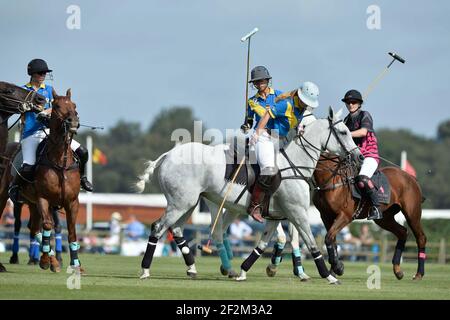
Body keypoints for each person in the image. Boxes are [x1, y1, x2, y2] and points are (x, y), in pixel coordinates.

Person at [8, 58, 93, 204]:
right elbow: (17, 108)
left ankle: (83, 178)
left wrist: (47, 112)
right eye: (40, 73)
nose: (43, 75)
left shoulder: (48, 90)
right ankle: (15, 188)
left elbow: (57, 107)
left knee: (83, 151)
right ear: (32, 74)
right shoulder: (24, 90)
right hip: (31, 134)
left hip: (51, 132)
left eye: (45, 73)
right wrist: (25, 108)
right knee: (28, 164)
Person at [243, 65, 319, 222]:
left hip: (280, 138)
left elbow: (290, 118)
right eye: (257, 82)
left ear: (268, 80)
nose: (260, 84)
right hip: (264, 135)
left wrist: (299, 127)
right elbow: (251, 120)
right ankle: (254, 205)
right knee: (269, 169)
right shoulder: (251, 102)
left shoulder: (279, 96)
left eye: (262, 80)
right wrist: (248, 126)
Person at [342, 89, 382, 220]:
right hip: (353, 157)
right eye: (348, 102)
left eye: (353, 102)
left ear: (359, 103)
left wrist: (345, 133)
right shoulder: (346, 120)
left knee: (362, 179)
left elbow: (363, 132)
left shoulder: (365, 115)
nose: (350, 104)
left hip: (369, 155)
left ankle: (376, 207)